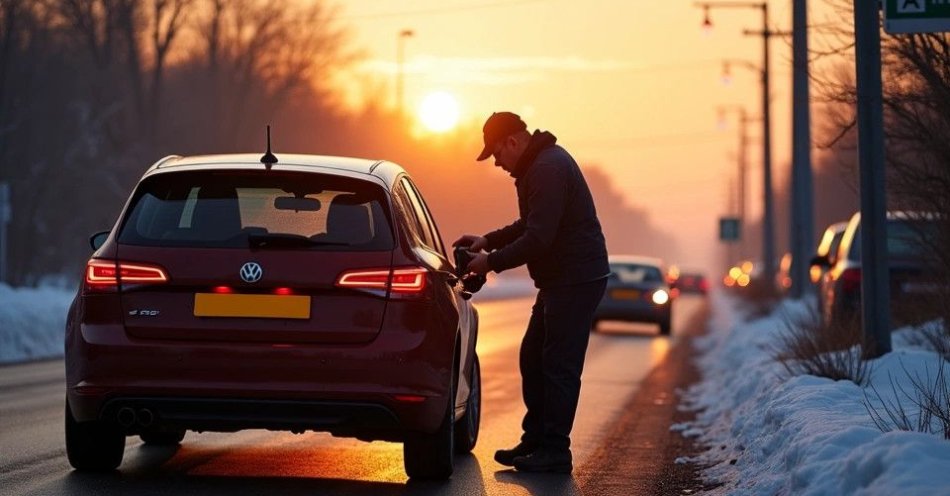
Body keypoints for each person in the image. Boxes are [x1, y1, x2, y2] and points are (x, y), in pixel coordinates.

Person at [454, 111, 609, 473]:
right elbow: (530, 223)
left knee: (558, 365)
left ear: (512, 141)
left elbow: (538, 238)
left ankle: (555, 450)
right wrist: (488, 240)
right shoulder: (538, 165)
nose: (497, 163)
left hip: (575, 279)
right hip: (562, 278)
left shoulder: (546, 169)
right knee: (533, 357)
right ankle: (537, 440)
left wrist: (489, 262)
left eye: (496, 153)